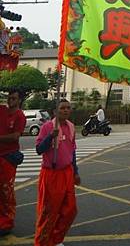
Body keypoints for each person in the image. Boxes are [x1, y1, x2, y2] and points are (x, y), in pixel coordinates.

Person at [34, 98, 80, 246]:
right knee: (49, 211)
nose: (66, 110)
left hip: (67, 172)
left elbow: (72, 151)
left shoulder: (71, 127)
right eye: (62, 108)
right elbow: (39, 149)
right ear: (55, 111)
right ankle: (42, 242)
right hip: (51, 173)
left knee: (70, 210)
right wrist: (50, 137)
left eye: (68, 108)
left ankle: (56, 239)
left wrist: (76, 172)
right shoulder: (48, 127)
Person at [0, 90, 26, 237]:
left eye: (14, 98)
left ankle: (7, 222)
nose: (10, 100)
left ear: (19, 100)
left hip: (8, 158)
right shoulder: (2, 110)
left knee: (6, 191)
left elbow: (15, 137)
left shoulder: (20, 116)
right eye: (9, 97)